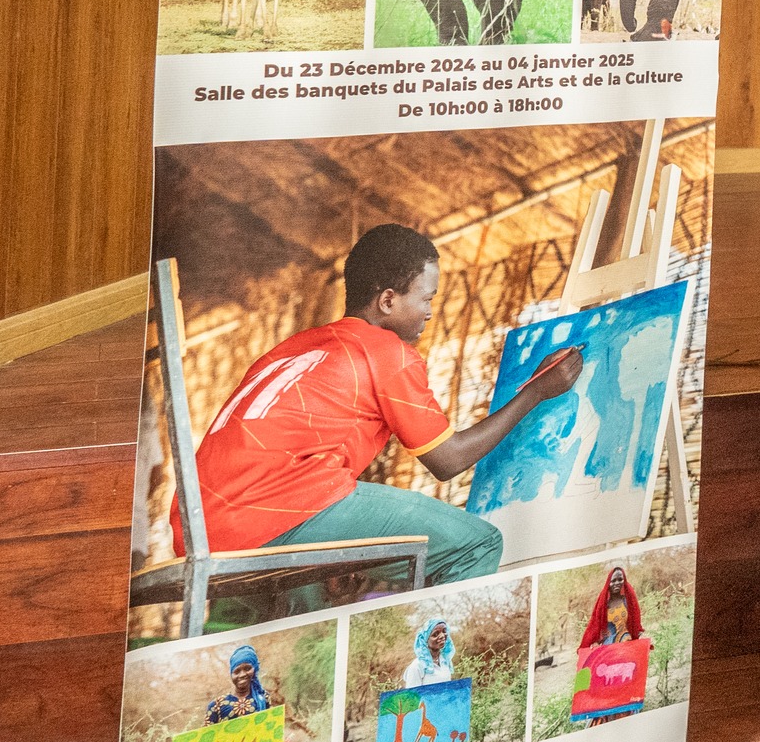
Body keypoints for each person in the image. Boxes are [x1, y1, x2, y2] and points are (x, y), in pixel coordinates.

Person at [179, 224, 583, 589]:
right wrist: (536, 392)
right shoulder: (385, 351)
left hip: (200, 529)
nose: (429, 311)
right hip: (276, 510)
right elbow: (448, 460)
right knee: (475, 544)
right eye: (426, 298)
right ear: (388, 300)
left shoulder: (296, 347)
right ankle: (435, 667)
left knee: (318, 590)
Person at [581, 566, 644, 650]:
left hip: (627, 642)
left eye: (620, 579)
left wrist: (641, 636)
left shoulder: (628, 600)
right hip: (609, 645)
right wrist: (595, 641)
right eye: (613, 580)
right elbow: (595, 625)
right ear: (608, 583)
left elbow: (635, 623)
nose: (617, 583)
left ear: (624, 580)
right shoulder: (603, 604)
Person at [206, 644, 270, 721]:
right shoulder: (217, 705)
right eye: (237, 671)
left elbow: (271, 725)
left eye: (247, 668)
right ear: (231, 674)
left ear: (255, 669)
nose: (242, 674)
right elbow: (207, 732)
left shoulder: (263, 697)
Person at [401, 616, 455, 688]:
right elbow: (412, 697)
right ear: (425, 640)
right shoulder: (417, 666)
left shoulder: (445, 661)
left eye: (444, 631)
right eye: (435, 634)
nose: (442, 636)